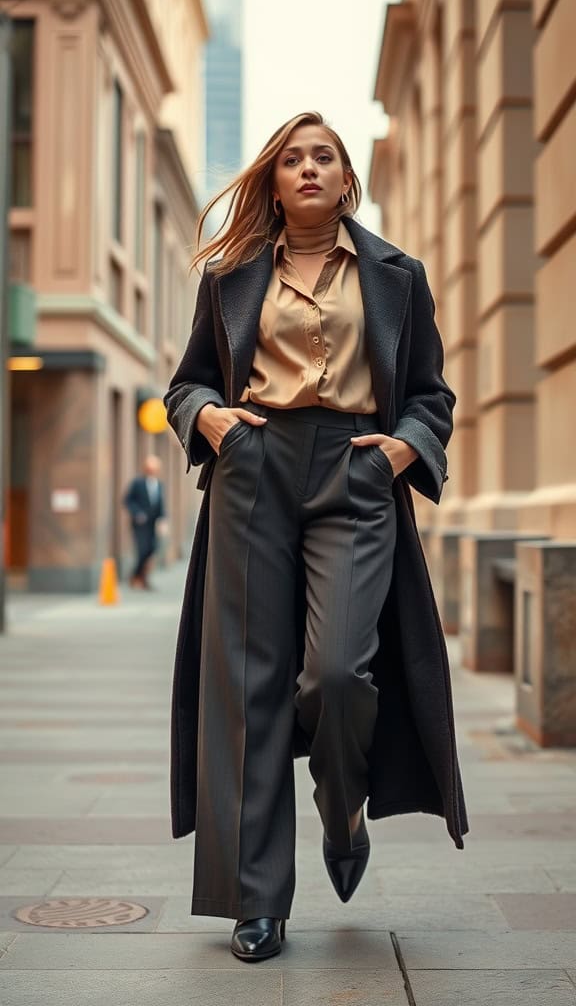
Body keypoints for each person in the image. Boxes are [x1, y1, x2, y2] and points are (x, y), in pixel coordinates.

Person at [164, 111, 469, 962]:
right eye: (291, 159)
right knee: (250, 689)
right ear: (274, 181)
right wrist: (212, 419)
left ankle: (343, 805)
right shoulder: (229, 281)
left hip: (356, 470)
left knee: (337, 670)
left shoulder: (397, 278)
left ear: (346, 180)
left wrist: (408, 445)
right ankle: (256, 900)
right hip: (254, 467)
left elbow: (430, 396)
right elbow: (184, 386)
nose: (307, 169)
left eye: (322, 157)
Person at [123, 455, 166, 590]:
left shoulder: (159, 484)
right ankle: (139, 578)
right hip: (140, 524)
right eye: (150, 468)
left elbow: (161, 505)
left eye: (155, 468)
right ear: (146, 469)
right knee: (142, 550)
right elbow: (127, 500)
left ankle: (138, 577)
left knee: (152, 549)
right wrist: (137, 513)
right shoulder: (137, 483)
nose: (152, 470)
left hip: (153, 523)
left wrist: (163, 520)